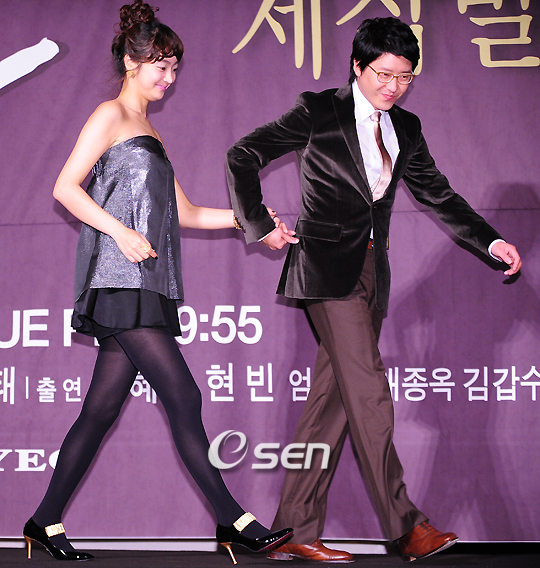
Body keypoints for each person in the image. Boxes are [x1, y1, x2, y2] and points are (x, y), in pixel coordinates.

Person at [226, 16, 522, 564]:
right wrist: (259, 224)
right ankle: (406, 526)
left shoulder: (405, 126)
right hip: (323, 269)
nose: (393, 86)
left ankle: (292, 529)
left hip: (370, 272)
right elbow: (243, 154)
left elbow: (438, 195)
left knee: (333, 403)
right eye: (383, 74)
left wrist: (491, 241)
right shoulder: (319, 110)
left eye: (405, 77)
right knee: (369, 393)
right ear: (357, 66)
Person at [22, 1, 292, 563]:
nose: (168, 78)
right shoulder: (109, 115)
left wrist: (254, 222)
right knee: (184, 396)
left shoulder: (151, 132)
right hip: (119, 280)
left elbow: (185, 212)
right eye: (160, 66)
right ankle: (233, 520)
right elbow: (65, 188)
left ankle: (43, 521)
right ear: (131, 61)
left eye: (174, 69)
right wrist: (120, 231)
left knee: (99, 411)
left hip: (146, 282)